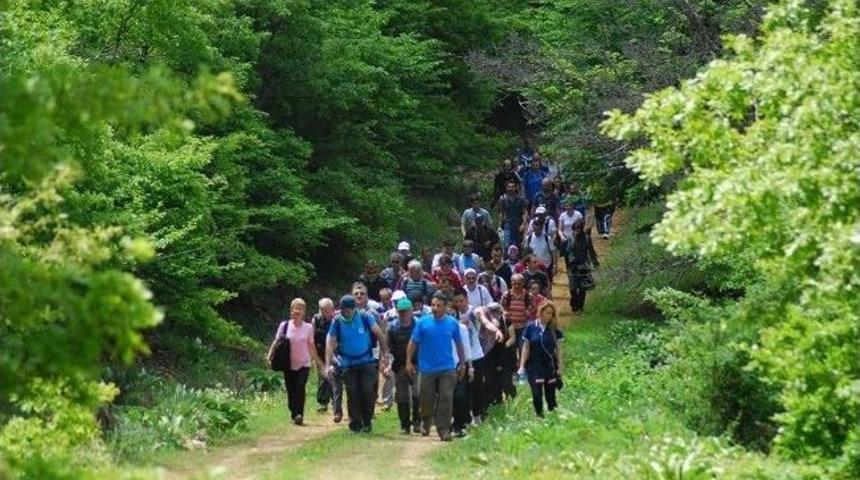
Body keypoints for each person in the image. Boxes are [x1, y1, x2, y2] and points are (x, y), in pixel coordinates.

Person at [406, 292, 467, 442]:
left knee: (446, 398)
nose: (435, 308)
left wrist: (462, 363)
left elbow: (459, 344)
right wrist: (408, 362)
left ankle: (444, 429)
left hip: (447, 368)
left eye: (438, 305)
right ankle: (426, 421)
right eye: (433, 305)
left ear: (445, 307)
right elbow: (413, 343)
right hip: (427, 369)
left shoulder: (452, 323)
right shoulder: (423, 322)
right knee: (426, 400)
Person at [325, 295, 390, 433]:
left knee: (367, 390)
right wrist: (328, 363)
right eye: (345, 310)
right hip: (347, 363)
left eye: (351, 309)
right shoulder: (337, 321)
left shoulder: (365, 317)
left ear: (355, 308)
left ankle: (367, 420)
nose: (348, 312)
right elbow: (329, 342)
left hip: (366, 360)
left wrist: (385, 355)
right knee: (352, 391)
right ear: (341, 309)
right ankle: (355, 423)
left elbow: (379, 334)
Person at [267, 298, 322, 425]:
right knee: (291, 390)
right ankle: (293, 412)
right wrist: (270, 355)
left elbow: (311, 345)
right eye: (295, 308)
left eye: (300, 309)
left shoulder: (308, 327)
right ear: (291, 310)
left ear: (304, 312)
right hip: (288, 363)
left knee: (300, 387)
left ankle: (299, 414)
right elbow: (277, 342)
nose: (297, 311)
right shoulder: (284, 326)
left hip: (304, 363)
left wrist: (317, 361)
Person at [518, 302, 564, 417]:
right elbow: (526, 348)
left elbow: (558, 349)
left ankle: (553, 416)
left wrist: (560, 367)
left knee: (551, 395)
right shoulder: (531, 327)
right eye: (547, 313)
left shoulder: (554, 329)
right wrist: (522, 366)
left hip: (550, 365)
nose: (549, 316)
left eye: (551, 314)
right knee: (537, 394)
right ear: (541, 312)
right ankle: (539, 415)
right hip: (534, 365)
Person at [386, 297, 421, 434]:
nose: (404, 314)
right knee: (401, 395)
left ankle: (417, 422)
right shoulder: (392, 327)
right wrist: (387, 363)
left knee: (417, 393)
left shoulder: (419, 325)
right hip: (400, 365)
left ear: (411, 310)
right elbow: (387, 348)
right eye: (401, 311)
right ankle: (405, 425)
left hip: (418, 363)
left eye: (406, 311)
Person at [474, 304, 513, 406]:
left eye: (496, 311)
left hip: (501, 354)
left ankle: (503, 401)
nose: (494, 314)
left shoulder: (505, 321)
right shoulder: (483, 322)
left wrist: (504, 346)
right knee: (489, 379)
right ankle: (489, 402)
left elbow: (511, 338)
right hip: (486, 355)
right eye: (492, 311)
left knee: (503, 379)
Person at [311, 298, 342, 419]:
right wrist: (313, 356)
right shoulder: (316, 319)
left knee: (335, 377)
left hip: (335, 352)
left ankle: (335, 403)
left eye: (329, 309)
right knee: (323, 377)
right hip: (320, 352)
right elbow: (311, 338)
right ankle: (322, 403)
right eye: (324, 310)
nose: (327, 312)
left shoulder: (338, 318)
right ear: (320, 310)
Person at [450, 289, 475, 437]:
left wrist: (469, 367)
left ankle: (460, 424)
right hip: (445, 367)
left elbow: (466, 348)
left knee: (460, 396)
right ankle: (452, 424)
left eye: (453, 314)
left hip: (460, 366)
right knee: (449, 397)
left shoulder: (462, 328)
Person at [567, 225, 600, 313]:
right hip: (573, 266)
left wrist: (595, 263)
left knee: (583, 287)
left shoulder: (586, 238)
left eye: (579, 229)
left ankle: (581, 306)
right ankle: (574, 304)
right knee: (573, 287)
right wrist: (570, 262)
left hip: (584, 265)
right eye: (575, 229)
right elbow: (567, 251)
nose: (577, 231)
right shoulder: (570, 238)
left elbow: (591, 251)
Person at [525, 207, 557, 283]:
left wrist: (554, 265)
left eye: (538, 225)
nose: (536, 228)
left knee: (547, 285)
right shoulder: (529, 238)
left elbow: (553, 252)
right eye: (535, 225)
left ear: (541, 227)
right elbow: (526, 253)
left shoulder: (547, 238)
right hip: (533, 267)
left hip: (546, 266)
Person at [498, 180, 528, 251]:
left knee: (518, 246)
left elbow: (525, 212)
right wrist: (499, 226)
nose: (511, 188)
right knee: (507, 245)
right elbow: (501, 213)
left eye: (513, 187)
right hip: (508, 225)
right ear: (506, 188)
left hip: (518, 225)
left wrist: (523, 224)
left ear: (516, 187)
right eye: (509, 187)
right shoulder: (503, 199)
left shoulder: (521, 199)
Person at [558, 199, 584, 268]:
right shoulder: (562, 216)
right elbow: (559, 230)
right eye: (566, 206)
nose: (568, 207)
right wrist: (562, 237)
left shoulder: (578, 214)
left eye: (570, 205)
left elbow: (581, 226)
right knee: (567, 255)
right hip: (566, 238)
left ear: (573, 205)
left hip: (576, 237)